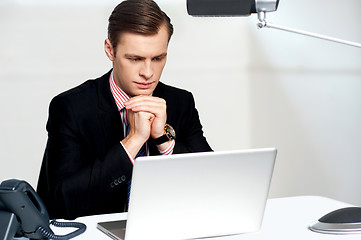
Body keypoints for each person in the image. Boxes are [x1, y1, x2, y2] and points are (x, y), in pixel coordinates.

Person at [37, 0, 212, 220]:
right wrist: (134, 141)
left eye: (158, 58)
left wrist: (164, 141)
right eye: (135, 59)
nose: (148, 72)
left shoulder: (181, 102)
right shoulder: (72, 107)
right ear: (110, 50)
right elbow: (60, 203)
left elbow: (210, 185)